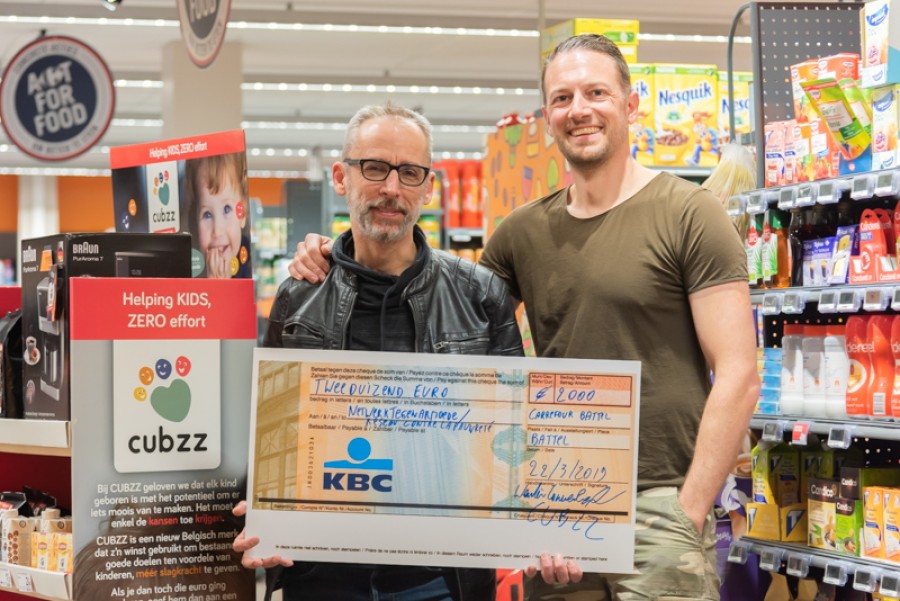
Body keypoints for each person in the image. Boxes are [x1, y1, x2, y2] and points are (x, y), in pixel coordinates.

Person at [287, 34, 761, 601]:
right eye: (562, 98)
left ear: (631, 106)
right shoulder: (522, 233)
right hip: (557, 506)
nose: (579, 109)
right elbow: (445, 316)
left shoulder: (691, 214)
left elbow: (739, 373)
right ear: (547, 117)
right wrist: (335, 257)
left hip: (659, 503)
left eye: (596, 93)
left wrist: (690, 508)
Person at [234, 102, 537, 601]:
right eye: (374, 167)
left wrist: (550, 526)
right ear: (341, 177)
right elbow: (272, 427)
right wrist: (263, 512)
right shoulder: (299, 295)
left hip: (439, 580)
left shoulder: (480, 294)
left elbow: (515, 434)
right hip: (323, 576)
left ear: (428, 186)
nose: (392, 188)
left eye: (410, 172)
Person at [184, 152, 251, 279]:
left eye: (227, 209)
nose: (217, 231)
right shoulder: (191, 273)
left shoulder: (248, 267)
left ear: (243, 213)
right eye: (207, 214)